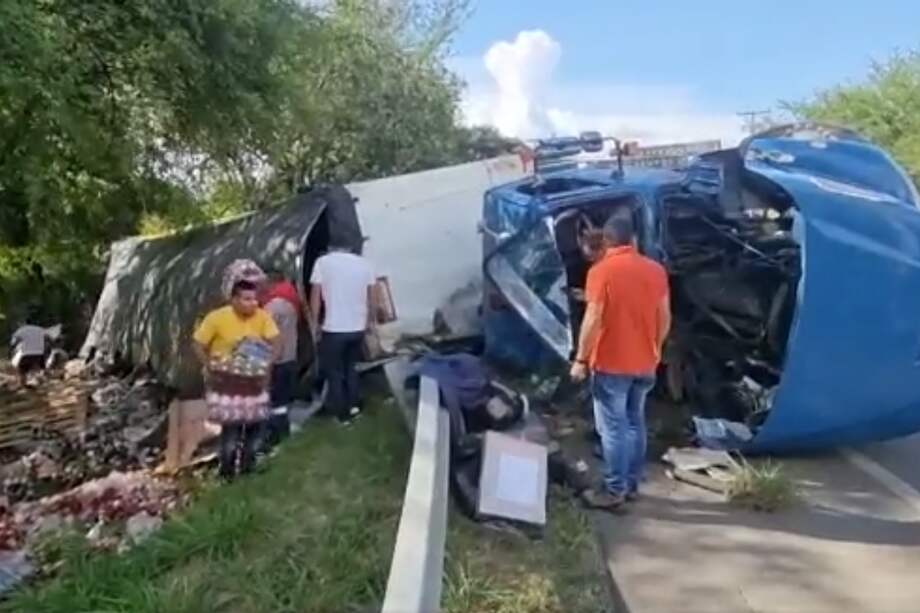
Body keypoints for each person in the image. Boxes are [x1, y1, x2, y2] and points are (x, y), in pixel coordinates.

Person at [570, 214, 671, 510]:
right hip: (646, 362)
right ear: (634, 240)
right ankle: (632, 484)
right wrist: (655, 349)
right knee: (635, 423)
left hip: (611, 364)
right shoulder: (656, 270)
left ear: (607, 240)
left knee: (613, 429)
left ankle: (614, 491)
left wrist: (581, 359)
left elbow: (592, 319)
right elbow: (665, 316)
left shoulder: (601, 271)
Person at [193, 279, 280, 479]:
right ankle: (227, 472)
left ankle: (248, 467)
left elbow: (277, 341)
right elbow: (198, 343)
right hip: (228, 383)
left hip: (254, 382)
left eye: (254, 299)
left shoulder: (262, 317)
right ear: (234, 299)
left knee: (254, 427)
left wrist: (268, 363)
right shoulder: (217, 318)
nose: (253, 303)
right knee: (231, 430)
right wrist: (209, 365)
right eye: (247, 299)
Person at [309, 239, 377, 425]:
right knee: (351, 368)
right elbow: (373, 297)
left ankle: (342, 414)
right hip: (357, 327)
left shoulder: (322, 263)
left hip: (334, 328)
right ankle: (354, 406)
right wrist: (370, 322)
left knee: (335, 372)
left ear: (330, 247)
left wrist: (315, 323)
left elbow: (316, 296)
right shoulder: (365, 264)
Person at [261, 271, 302, 445]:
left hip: (276, 359)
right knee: (283, 400)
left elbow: (263, 333)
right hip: (290, 356)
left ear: (270, 283)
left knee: (274, 400)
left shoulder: (272, 307)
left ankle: (275, 434)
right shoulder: (291, 301)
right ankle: (284, 429)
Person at [10, 316, 50, 387]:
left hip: (26, 354)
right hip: (39, 354)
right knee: (37, 369)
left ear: (25, 323)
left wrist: (12, 349)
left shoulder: (21, 330)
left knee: (21, 370)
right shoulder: (40, 329)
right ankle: (39, 380)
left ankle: (23, 384)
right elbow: (48, 339)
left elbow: (13, 342)